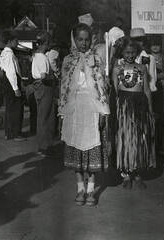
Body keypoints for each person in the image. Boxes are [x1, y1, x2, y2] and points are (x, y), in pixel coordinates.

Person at [59, 23, 110, 206]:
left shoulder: (96, 59)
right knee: (75, 149)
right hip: (74, 108)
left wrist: (104, 110)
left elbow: (101, 87)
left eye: (87, 39)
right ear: (74, 39)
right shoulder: (67, 61)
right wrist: (63, 111)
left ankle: (91, 190)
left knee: (92, 147)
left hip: (92, 107)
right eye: (80, 39)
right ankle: (80, 187)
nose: (83, 43)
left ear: (92, 40)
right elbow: (64, 88)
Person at [112, 37, 155, 189]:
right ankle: (125, 174)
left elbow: (147, 90)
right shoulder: (117, 69)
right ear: (122, 52)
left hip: (140, 105)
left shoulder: (142, 68)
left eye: (133, 52)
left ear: (137, 52)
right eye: (127, 52)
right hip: (124, 107)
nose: (130, 55)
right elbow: (115, 92)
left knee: (139, 138)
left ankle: (137, 173)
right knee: (125, 138)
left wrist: (150, 108)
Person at [32, 31, 57, 156]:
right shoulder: (42, 57)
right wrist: (54, 78)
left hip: (40, 88)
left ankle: (43, 145)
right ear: (46, 43)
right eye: (49, 42)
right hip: (45, 87)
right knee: (46, 117)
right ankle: (44, 147)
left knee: (43, 116)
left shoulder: (36, 55)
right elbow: (43, 76)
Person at [0, 31, 26, 141]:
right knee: (16, 109)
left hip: (7, 82)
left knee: (10, 108)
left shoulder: (3, 53)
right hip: (11, 83)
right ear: (10, 41)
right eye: (15, 40)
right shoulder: (9, 54)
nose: (17, 42)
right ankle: (15, 134)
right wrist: (16, 88)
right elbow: (11, 72)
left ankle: (9, 133)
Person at [130, 28, 157, 92]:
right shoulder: (124, 58)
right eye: (135, 40)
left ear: (143, 42)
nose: (138, 43)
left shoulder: (150, 58)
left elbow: (152, 81)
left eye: (140, 40)